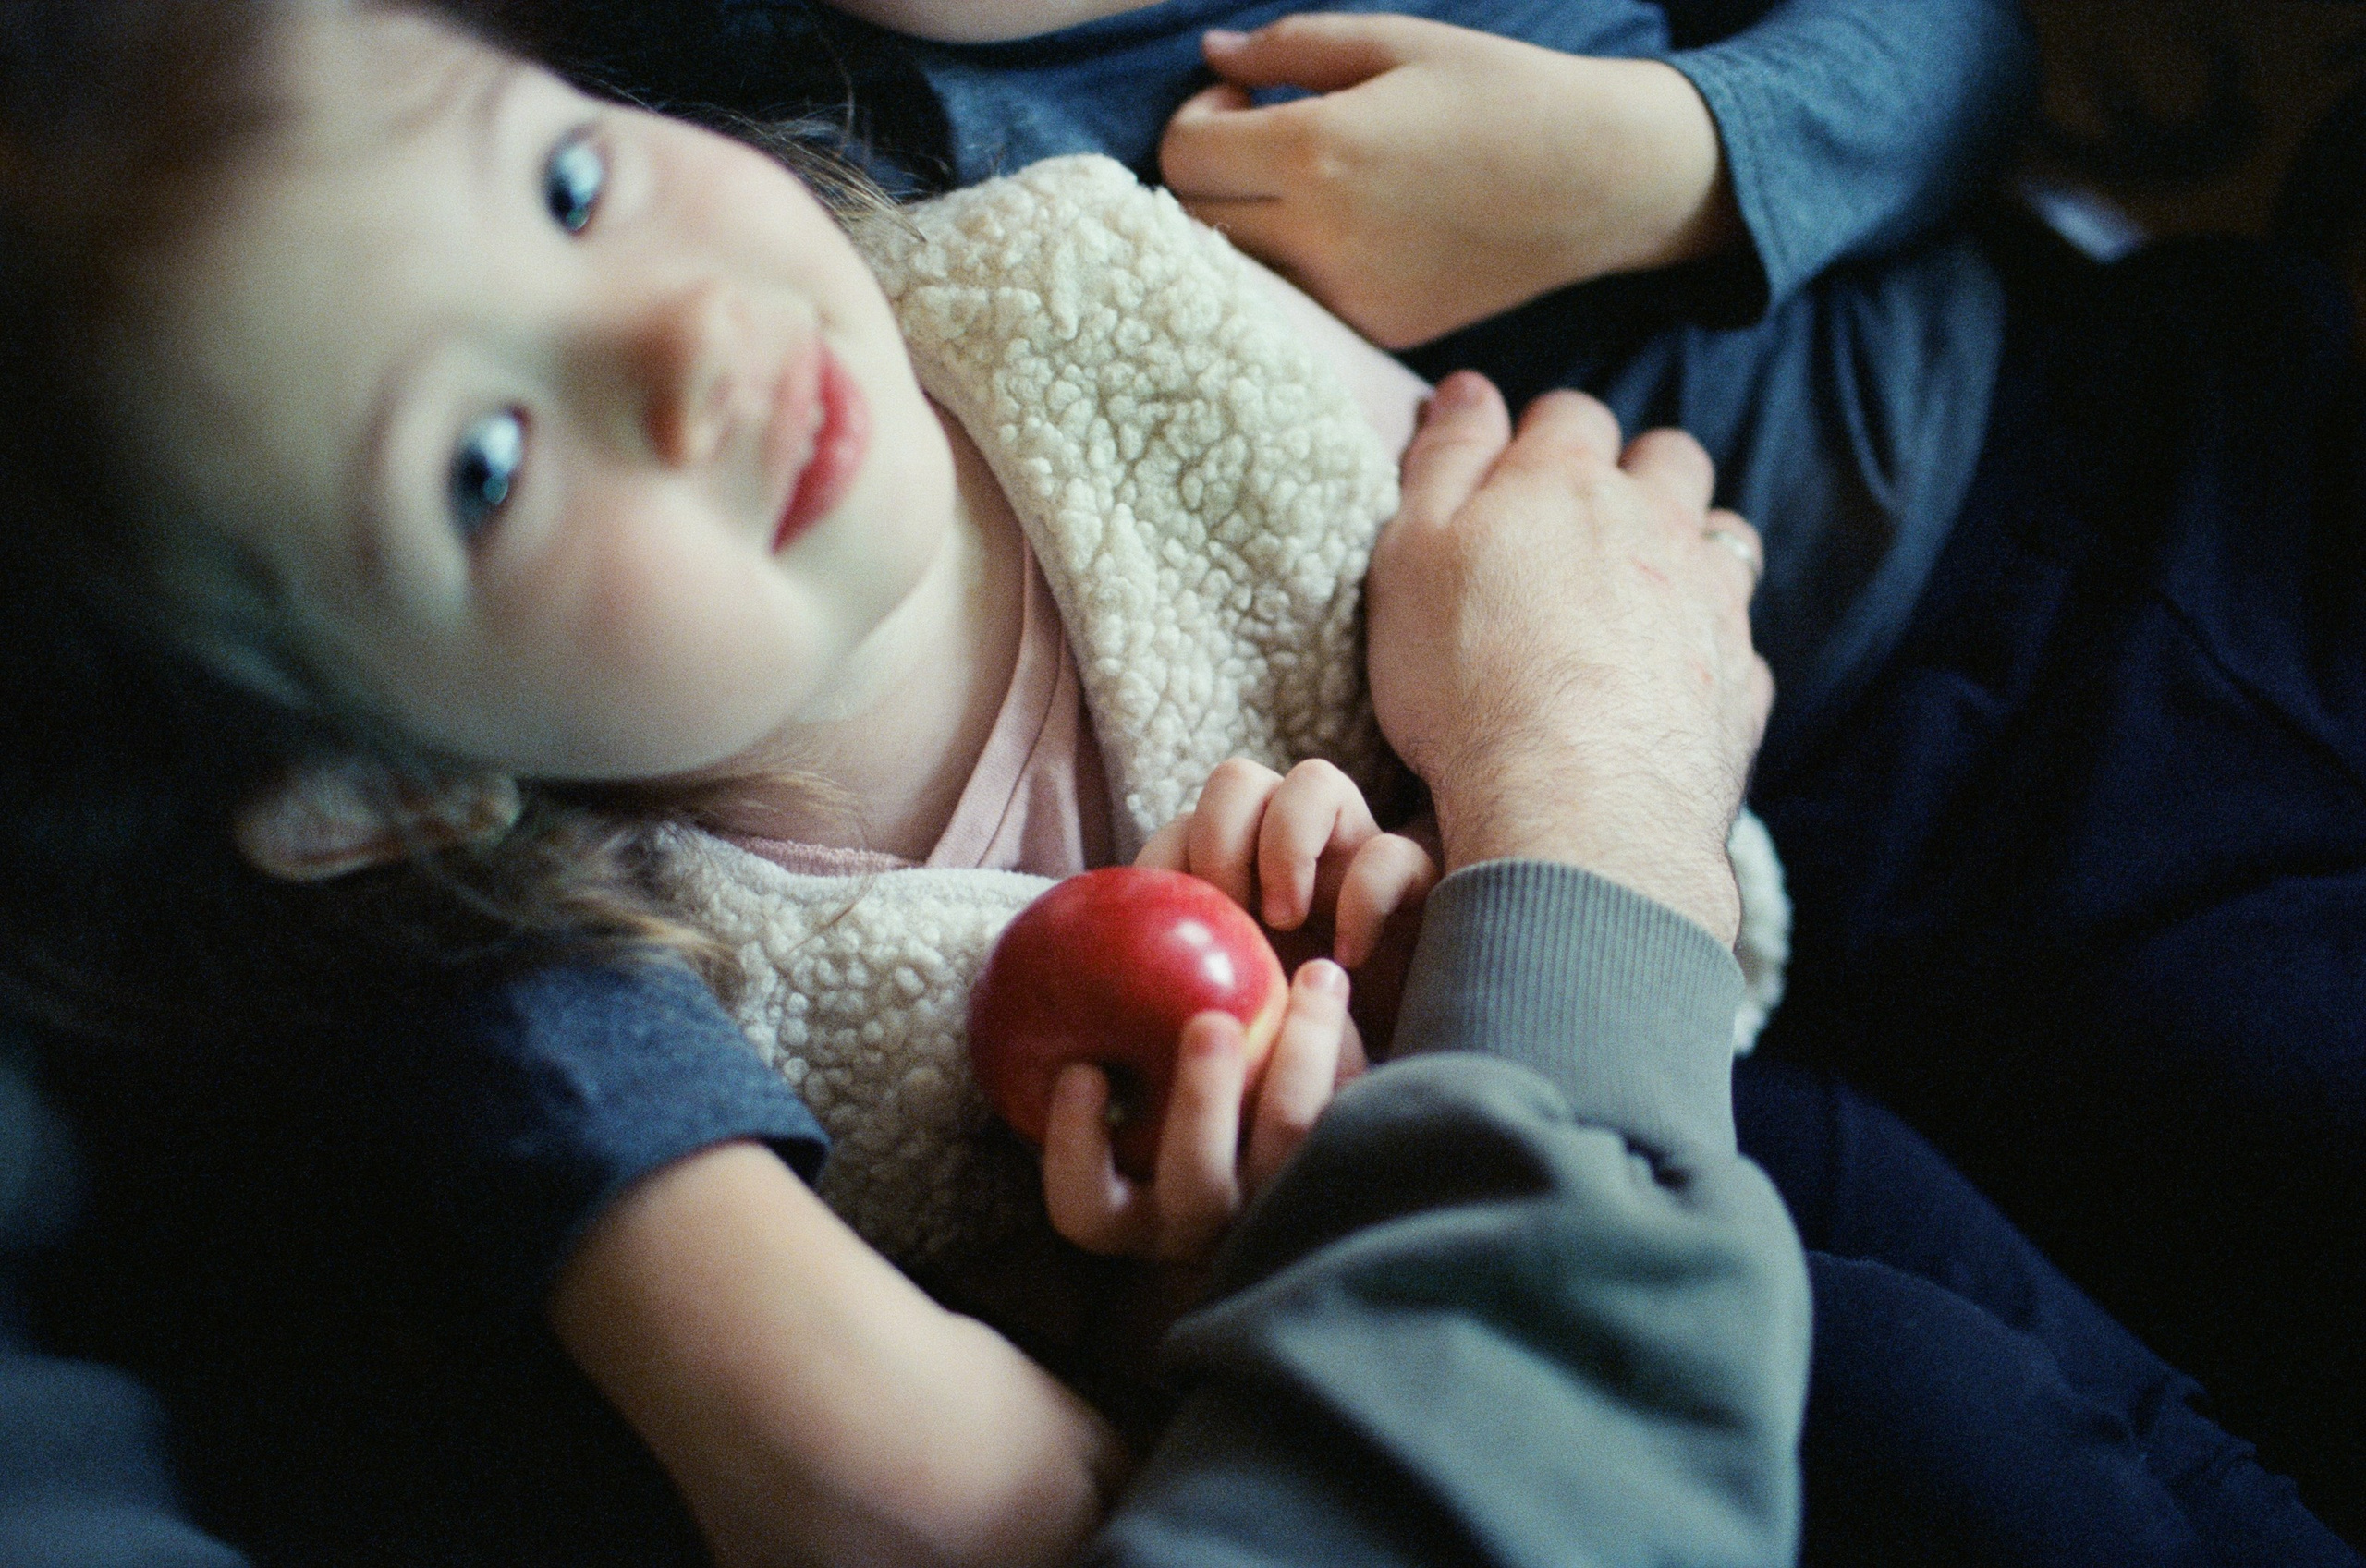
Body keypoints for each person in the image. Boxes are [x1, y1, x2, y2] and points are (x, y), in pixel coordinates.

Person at [0, 3, 1811, 1562]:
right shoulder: (744, 1049)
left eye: (565, 186)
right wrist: (1219, 1251)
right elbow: (1110, 1457)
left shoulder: (1092, 297)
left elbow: (1638, 680)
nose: (688, 344)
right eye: (481, 466)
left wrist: (1463, 854)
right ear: (370, 793)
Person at [532, 0, 2366, 1523]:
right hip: (1722, 898)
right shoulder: (845, 176)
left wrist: (1661, 161)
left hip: (2057, 517)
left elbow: (1962, 46)